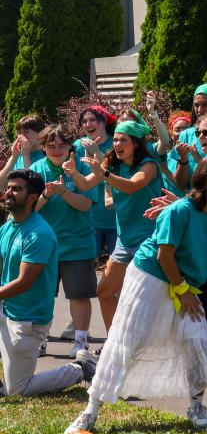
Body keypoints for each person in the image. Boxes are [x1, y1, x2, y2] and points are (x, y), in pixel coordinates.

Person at [63, 156, 207, 434]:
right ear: (203, 180)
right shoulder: (179, 211)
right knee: (127, 341)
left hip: (183, 285)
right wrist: (182, 290)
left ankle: (197, 407)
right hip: (150, 277)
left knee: (197, 340)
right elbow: (164, 256)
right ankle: (90, 411)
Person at [0, 170, 97, 396]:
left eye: (17, 189)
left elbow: (24, 282)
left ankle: (81, 368)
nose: (9, 193)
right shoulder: (7, 228)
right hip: (6, 308)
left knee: (17, 390)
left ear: (33, 197)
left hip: (27, 318)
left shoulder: (39, 234)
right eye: (8, 188)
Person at [65, 120, 162, 332]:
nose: (117, 144)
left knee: (143, 300)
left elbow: (133, 186)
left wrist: (105, 174)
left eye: (123, 140)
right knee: (105, 292)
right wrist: (74, 173)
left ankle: (145, 343)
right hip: (125, 240)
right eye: (115, 139)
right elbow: (85, 184)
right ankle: (113, 343)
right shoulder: (111, 163)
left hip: (150, 240)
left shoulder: (149, 165)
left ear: (136, 143)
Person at [32, 125, 98, 358]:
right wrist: (46, 194)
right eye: (51, 145)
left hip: (78, 243)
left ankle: (80, 342)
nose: (57, 150)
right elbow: (30, 209)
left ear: (71, 145)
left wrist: (63, 192)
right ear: (43, 147)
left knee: (79, 295)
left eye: (62, 145)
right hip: (44, 245)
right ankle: (40, 340)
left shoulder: (82, 167)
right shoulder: (36, 170)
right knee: (42, 295)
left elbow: (85, 205)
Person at [74, 105, 117, 259]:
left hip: (115, 217)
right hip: (89, 218)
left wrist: (97, 153)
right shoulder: (78, 145)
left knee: (119, 266)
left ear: (104, 121)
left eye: (93, 120)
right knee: (88, 262)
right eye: (84, 121)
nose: (88, 124)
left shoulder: (116, 143)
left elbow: (116, 174)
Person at [0, 116, 47, 188]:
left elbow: (34, 187)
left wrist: (26, 156)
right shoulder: (18, 155)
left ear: (40, 134)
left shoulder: (46, 156)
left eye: (26, 132)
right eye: (19, 133)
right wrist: (13, 157)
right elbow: (1, 185)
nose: (21, 136)